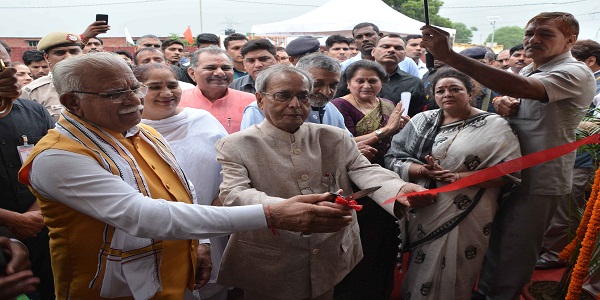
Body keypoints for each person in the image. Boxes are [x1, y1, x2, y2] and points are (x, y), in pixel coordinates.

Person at [18, 52, 354, 300]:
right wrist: (271, 213)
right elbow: (143, 216)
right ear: (71, 102)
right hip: (111, 289)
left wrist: (202, 244)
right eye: (115, 94)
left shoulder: (142, 132)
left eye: (134, 87)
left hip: (173, 280)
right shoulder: (59, 157)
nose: (134, 99)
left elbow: (182, 190)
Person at [215, 64, 434, 300]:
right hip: (271, 258)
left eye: (302, 96)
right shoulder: (236, 145)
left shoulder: (333, 136)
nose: (295, 105)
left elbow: (363, 169)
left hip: (330, 251)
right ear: (260, 99)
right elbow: (234, 193)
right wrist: (282, 210)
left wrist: (399, 188)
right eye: (283, 96)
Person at [421, 12, 596, 299]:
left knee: (515, 252)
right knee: (494, 244)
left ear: (570, 41)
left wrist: (450, 56)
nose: (533, 40)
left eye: (546, 34)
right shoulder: (529, 70)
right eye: (529, 34)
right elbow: (518, 93)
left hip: (538, 179)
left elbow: (522, 89)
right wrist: (504, 103)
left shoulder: (575, 71)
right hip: (504, 174)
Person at [385, 67, 521, 299]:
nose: (447, 94)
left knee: (460, 264)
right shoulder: (421, 120)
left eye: (455, 89)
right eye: (441, 90)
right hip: (426, 204)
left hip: (472, 207)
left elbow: (508, 173)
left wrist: (458, 178)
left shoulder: (494, 125)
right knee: (422, 261)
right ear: (434, 96)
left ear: (470, 93)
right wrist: (422, 170)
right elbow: (393, 157)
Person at [136, 63, 230, 300]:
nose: (167, 93)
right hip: (160, 232)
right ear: (135, 91)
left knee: (213, 285)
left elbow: (232, 164)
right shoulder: (129, 132)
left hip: (214, 224)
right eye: (155, 87)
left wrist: (224, 196)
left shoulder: (202, 120)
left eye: (172, 85)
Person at [329, 59, 408, 300]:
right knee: (359, 240)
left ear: (382, 83)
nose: (366, 85)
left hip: (387, 178)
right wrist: (388, 128)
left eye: (372, 81)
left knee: (384, 241)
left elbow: (399, 139)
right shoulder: (338, 106)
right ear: (348, 83)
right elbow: (346, 145)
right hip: (353, 181)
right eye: (359, 80)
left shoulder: (387, 105)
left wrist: (401, 127)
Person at [537, 39, 600, 270]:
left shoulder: (594, 83)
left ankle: (556, 254)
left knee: (565, 210)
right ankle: (549, 248)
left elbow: (592, 126)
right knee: (556, 208)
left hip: (579, 158)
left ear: (590, 61)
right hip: (563, 154)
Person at [0, 62, 52, 299]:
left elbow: (55, 167)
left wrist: (35, 215)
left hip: (43, 230)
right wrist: (9, 219)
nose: (6, 72)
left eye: (4, 63)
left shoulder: (34, 111)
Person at [336, 34, 427, 117]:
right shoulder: (352, 76)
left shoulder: (413, 83)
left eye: (398, 48)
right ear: (373, 52)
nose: (391, 50)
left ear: (404, 55)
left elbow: (418, 116)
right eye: (385, 46)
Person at [341, 22, 420, 77]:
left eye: (369, 35)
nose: (365, 39)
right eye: (359, 37)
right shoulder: (345, 66)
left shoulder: (407, 62)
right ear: (354, 42)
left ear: (380, 36)